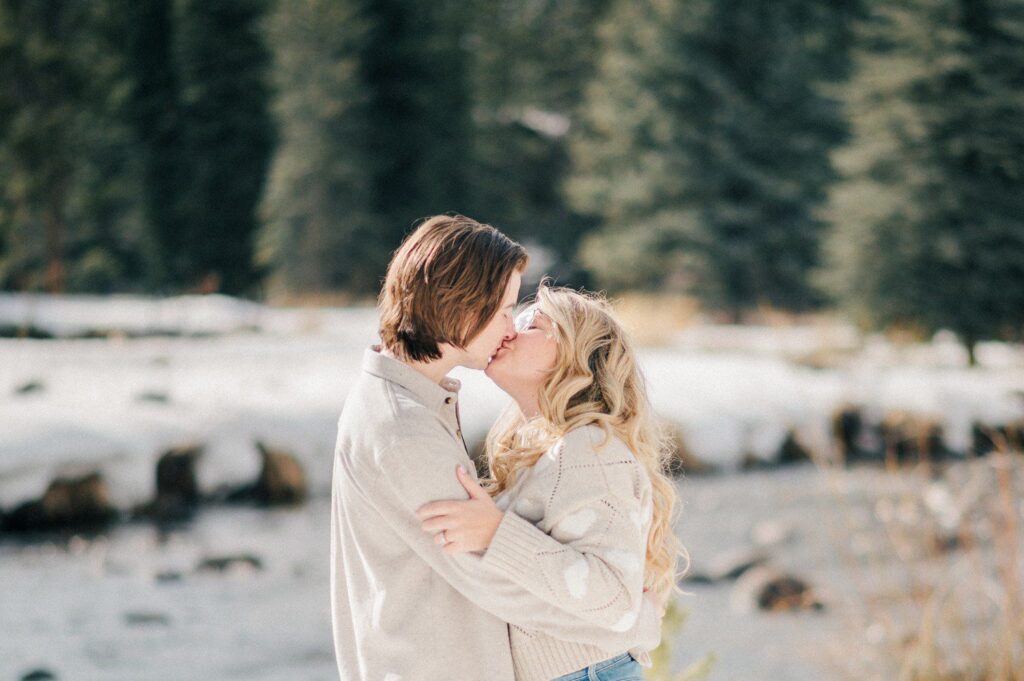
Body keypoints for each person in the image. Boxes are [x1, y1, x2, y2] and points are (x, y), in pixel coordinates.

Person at [330, 214, 664, 681]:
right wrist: (634, 620)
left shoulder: (419, 409)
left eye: (525, 319)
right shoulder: (404, 429)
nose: (509, 327)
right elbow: (496, 581)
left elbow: (519, 571)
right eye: (507, 309)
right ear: (465, 306)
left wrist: (622, 615)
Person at [416, 284, 685, 681]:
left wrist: (496, 533)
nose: (508, 330)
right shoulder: (548, 453)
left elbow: (612, 596)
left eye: (533, 324)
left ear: (575, 356)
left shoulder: (589, 450)